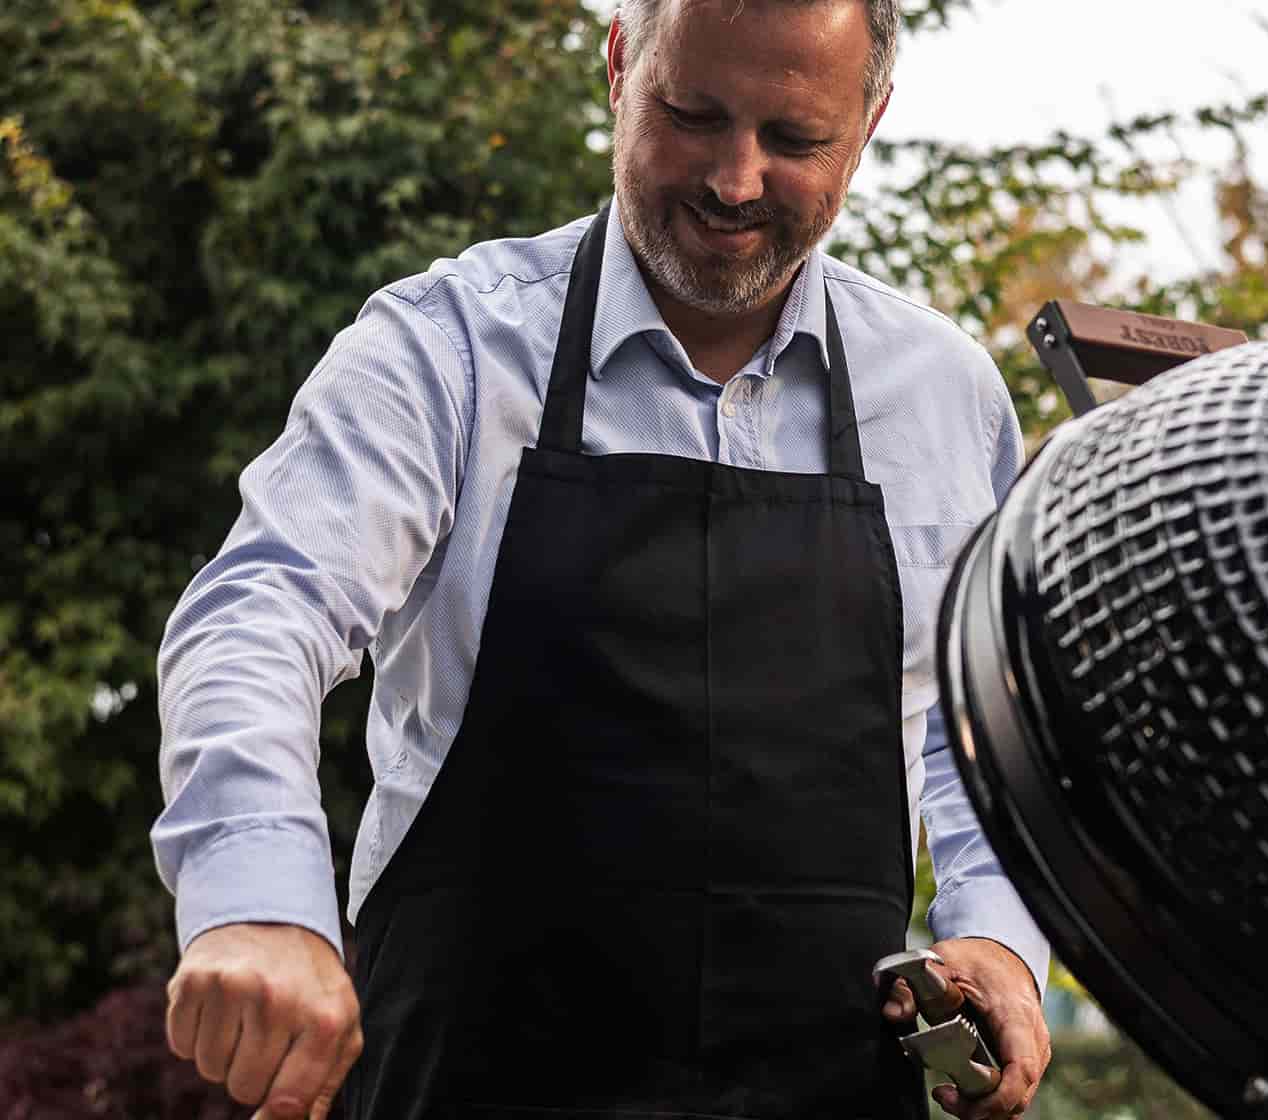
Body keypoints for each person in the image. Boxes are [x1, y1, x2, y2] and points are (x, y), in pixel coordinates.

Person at [150, 1, 1051, 1116]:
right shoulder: (447, 349)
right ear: (620, 69)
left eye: (794, 139)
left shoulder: (946, 396)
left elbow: (987, 723)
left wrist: (998, 941)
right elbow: (258, 611)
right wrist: (257, 895)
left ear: (867, 126)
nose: (734, 179)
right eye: (692, 114)